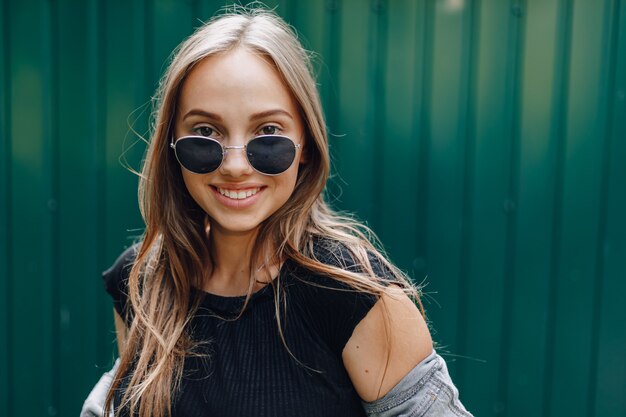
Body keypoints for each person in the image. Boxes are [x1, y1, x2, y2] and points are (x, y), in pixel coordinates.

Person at [86, 6, 473, 417]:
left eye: (268, 132)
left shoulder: (356, 297)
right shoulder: (145, 281)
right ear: (172, 145)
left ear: (305, 143)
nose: (235, 166)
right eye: (205, 132)